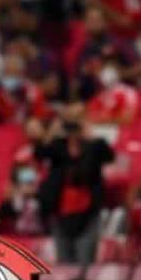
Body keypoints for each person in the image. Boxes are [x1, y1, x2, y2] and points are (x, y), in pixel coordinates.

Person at [34, 106, 115, 267]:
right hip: (60, 208)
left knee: (85, 260)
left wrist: (88, 132)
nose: (73, 124)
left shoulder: (94, 145)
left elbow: (109, 156)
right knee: (64, 260)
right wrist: (54, 129)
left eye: (77, 118)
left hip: (88, 209)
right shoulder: (58, 145)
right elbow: (40, 153)